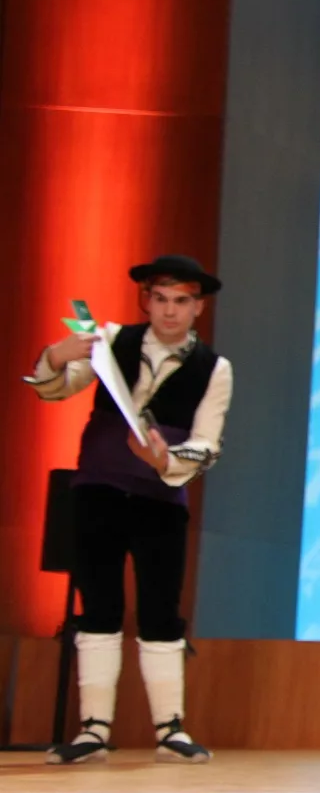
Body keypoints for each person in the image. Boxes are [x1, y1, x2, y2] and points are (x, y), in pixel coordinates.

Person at [26, 254, 232, 765]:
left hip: (161, 498)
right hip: (97, 488)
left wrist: (167, 458)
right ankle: (94, 727)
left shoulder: (215, 367)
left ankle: (171, 728)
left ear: (197, 307)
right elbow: (58, 388)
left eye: (181, 301)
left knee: (162, 610)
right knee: (98, 606)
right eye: (160, 299)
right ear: (146, 300)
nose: (168, 311)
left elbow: (208, 442)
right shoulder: (112, 340)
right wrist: (57, 355)